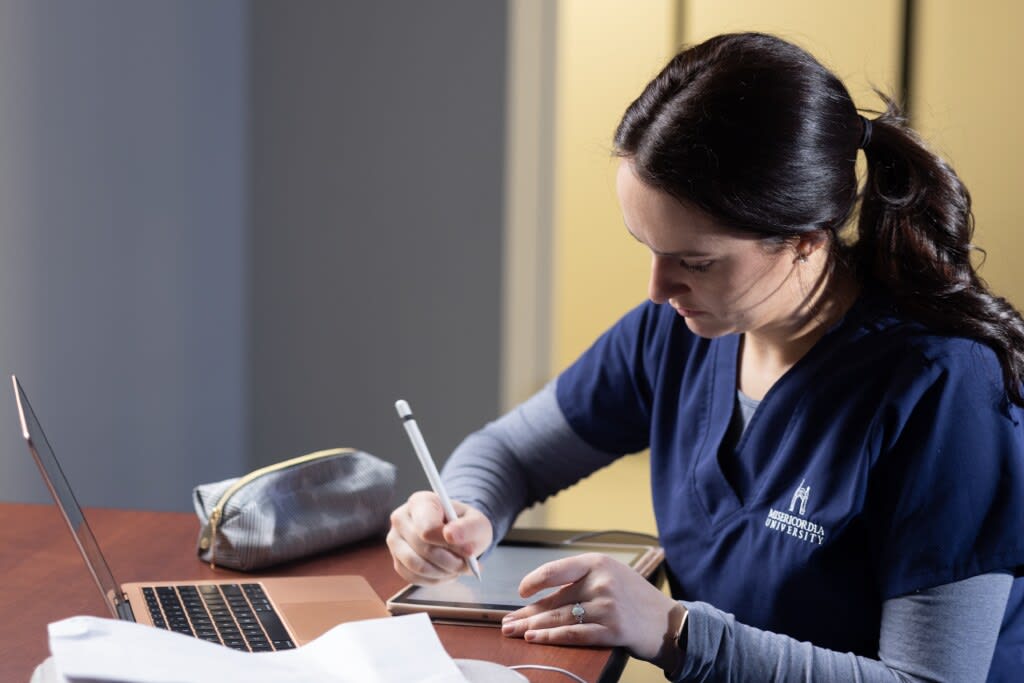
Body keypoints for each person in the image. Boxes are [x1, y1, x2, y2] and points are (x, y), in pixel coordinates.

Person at [386, 32, 1024, 681]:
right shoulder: (677, 332)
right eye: (647, 246)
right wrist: (460, 513)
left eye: (696, 261)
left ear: (805, 240)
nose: (657, 289)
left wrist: (673, 629)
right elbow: (509, 453)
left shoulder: (946, 391)